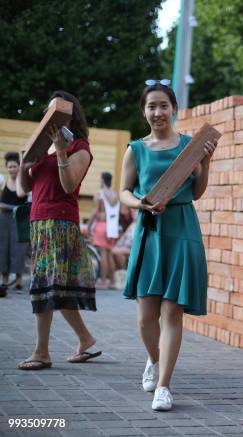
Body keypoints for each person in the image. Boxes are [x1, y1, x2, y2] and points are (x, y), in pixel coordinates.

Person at [120, 80, 216, 411]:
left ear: (173, 109)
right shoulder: (136, 149)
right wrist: (140, 204)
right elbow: (123, 191)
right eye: (151, 106)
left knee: (172, 310)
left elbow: (198, 191)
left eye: (163, 105)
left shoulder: (191, 146)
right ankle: (153, 359)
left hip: (182, 228)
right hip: (150, 231)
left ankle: (164, 385)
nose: (158, 112)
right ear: (144, 111)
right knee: (146, 317)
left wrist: (207, 163)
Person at [17, 90, 101, 370]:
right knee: (57, 288)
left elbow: (68, 185)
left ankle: (41, 352)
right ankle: (86, 340)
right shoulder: (43, 148)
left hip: (60, 223)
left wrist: (62, 150)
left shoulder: (79, 147)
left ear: (70, 115)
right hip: (39, 223)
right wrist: (24, 168)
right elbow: (23, 190)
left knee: (45, 286)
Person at [0, 152, 29, 296]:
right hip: (4, 219)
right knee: (3, 249)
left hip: (19, 220)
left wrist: (18, 177)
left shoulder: (22, 181)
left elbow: (21, 195)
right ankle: (4, 280)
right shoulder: (3, 182)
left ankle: (18, 281)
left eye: (14, 166)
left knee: (19, 250)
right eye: (10, 167)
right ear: (7, 168)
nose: (12, 169)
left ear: (19, 167)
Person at [89, 171, 120, 289]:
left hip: (101, 226)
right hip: (112, 227)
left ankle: (102, 282)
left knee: (103, 254)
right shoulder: (115, 195)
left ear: (102, 180)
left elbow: (95, 212)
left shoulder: (99, 194)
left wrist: (89, 226)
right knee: (109, 254)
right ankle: (112, 282)